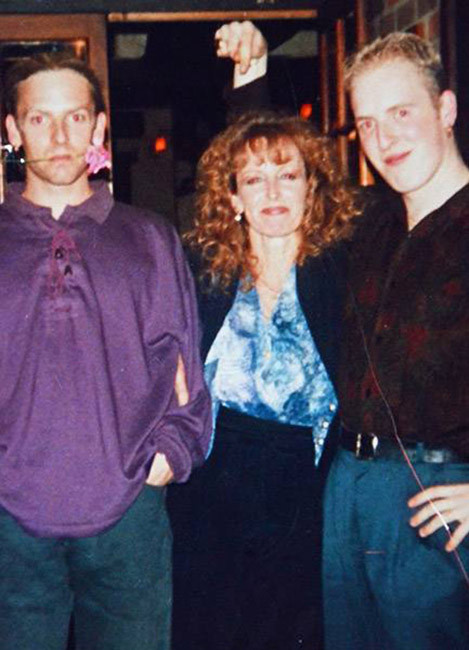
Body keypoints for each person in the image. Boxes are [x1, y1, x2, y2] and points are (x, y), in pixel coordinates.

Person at [0, 51, 211, 650]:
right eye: (39, 119)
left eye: (75, 117)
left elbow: (184, 364)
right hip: (10, 525)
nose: (59, 136)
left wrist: (169, 454)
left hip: (127, 517)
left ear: (98, 127)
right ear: (13, 130)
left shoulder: (149, 237)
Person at [167, 82, 361, 649]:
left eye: (288, 174)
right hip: (212, 485)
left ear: (311, 187)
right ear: (233, 197)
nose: (272, 191)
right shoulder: (202, 274)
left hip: (308, 489)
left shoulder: (345, 271)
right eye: (254, 179)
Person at [323, 32, 469, 650]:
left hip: (439, 498)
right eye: (367, 123)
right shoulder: (369, 225)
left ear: (445, 109)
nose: (384, 140)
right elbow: (278, 174)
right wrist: (252, 75)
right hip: (350, 490)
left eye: (401, 112)